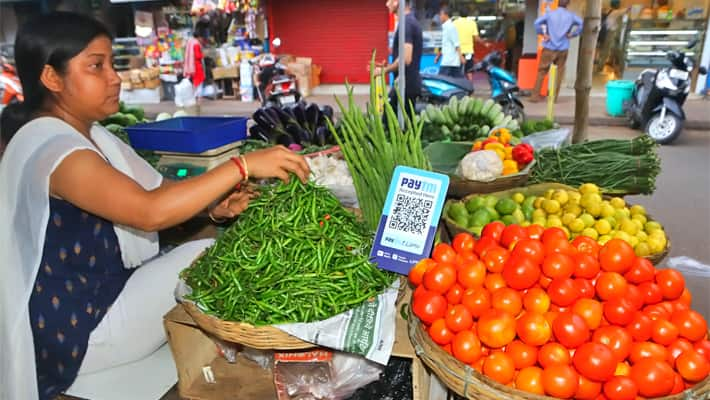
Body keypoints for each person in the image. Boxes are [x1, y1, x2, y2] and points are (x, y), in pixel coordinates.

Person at [0, 12, 310, 400]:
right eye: (96, 66)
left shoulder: (89, 137)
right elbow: (150, 211)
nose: (114, 77)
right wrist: (242, 165)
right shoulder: (56, 151)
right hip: (79, 332)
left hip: (95, 299)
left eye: (112, 64)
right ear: (51, 78)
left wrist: (214, 210)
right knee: (211, 255)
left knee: (209, 251)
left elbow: (161, 190)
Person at [375, 0, 423, 118]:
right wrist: (386, 66)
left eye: (389, 1)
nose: (387, 4)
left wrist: (384, 71)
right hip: (406, 84)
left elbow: (406, 58)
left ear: (397, 2)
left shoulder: (406, 24)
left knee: (389, 122)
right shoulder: (408, 22)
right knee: (404, 128)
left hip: (405, 85)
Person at [531, 0, 583, 103]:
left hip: (549, 47)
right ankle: (553, 98)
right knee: (559, 73)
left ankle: (535, 96)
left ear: (558, 3)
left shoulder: (550, 14)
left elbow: (536, 22)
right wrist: (573, 34)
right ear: (568, 4)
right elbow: (581, 24)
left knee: (542, 72)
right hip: (563, 48)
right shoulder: (571, 16)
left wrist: (542, 33)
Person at [596, 0, 627, 73]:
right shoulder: (616, 12)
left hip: (605, 33)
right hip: (610, 33)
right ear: (617, 5)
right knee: (605, 51)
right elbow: (628, 9)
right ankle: (600, 69)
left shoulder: (609, 11)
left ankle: (600, 67)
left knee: (604, 50)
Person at [435, 6, 464, 78]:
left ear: (446, 15)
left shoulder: (450, 27)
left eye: (441, 14)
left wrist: (461, 57)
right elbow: (445, 44)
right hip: (449, 60)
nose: (440, 16)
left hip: (449, 60)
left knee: (441, 80)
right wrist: (438, 56)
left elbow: (456, 43)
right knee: (457, 79)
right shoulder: (445, 27)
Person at [453, 14, 479, 81]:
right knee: (469, 70)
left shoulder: (454, 22)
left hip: (457, 51)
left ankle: (458, 86)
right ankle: (470, 87)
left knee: (457, 70)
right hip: (469, 51)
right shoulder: (472, 23)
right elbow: (476, 38)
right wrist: (483, 42)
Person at [184, 28, 206, 98]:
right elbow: (197, 56)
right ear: (199, 37)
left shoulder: (190, 42)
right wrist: (203, 55)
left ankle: (195, 96)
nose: (202, 39)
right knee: (198, 81)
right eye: (201, 38)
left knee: (195, 81)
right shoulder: (196, 44)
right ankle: (198, 96)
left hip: (192, 65)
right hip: (197, 65)